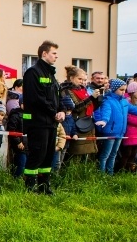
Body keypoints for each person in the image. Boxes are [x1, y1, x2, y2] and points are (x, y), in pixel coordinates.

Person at [21, 41, 63, 194]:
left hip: (51, 123)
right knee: (37, 154)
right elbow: (36, 98)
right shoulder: (33, 72)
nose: (56, 56)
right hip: (37, 122)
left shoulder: (51, 74)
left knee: (47, 156)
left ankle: (44, 187)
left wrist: (61, 111)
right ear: (44, 54)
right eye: (54, 53)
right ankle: (30, 188)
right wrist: (54, 112)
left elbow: (57, 96)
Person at [93, 78, 137, 175]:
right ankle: (102, 174)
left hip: (120, 132)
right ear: (114, 89)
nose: (123, 92)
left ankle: (110, 173)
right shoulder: (108, 101)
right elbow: (106, 112)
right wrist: (104, 121)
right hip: (110, 132)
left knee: (113, 154)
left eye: (124, 90)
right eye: (121, 90)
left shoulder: (124, 102)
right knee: (105, 155)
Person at [60, 65, 99, 162]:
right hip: (75, 123)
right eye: (80, 79)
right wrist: (91, 98)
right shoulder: (66, 90)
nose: (82, 81)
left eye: (84, 79)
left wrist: (97, 99)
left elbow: (90, 106)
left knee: (86, 154)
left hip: (86, 122)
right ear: (71, 78)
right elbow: (76, 107)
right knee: (74, 153)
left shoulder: (82, 89)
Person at [6, 100, 28, 177]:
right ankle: (16, 180)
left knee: (26, 165)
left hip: (29, 145)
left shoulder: (31, 115)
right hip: (19, 145)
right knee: (21, 164)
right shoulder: (15, 115)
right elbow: (11, 130)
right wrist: (18, 142)